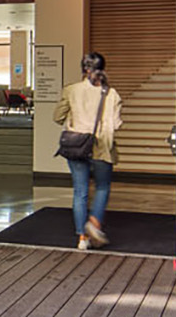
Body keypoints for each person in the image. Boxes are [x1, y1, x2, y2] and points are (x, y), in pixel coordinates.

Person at [53, 51, 123, 250]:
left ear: (84, 69)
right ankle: (94, 223)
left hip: (76, 147)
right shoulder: (112, 94)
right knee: (102, 188)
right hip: (102, 148)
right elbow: (116, 124)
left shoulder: (71, 90)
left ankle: (82, 238)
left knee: (80, 191)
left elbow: (57, 117)